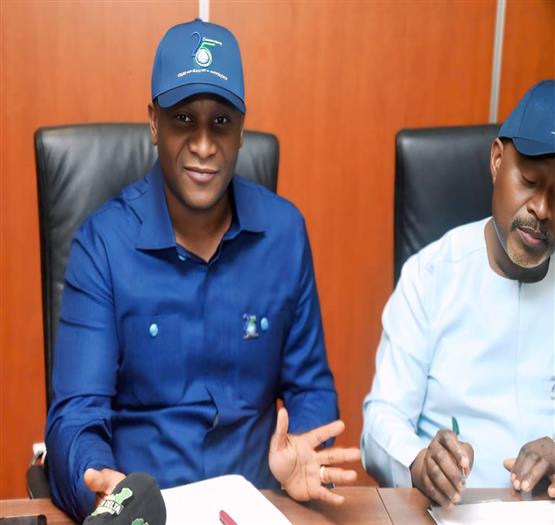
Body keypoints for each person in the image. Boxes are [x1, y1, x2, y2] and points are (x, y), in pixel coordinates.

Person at [46, 19, 359, 521]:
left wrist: (304, 452)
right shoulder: (102, 245)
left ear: (241, 129)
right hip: (148, 513)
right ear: (154, 123)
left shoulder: (284, 234)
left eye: (221, 122)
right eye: (183, 119)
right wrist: (103, 487)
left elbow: (309, 388)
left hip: (254, 507)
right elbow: (76, 418)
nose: (205, 145)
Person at [361, 80, 555, 508]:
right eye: (529, 182)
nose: (542, 210)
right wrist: (419, 462)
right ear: (497, 161)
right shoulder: (430, 275)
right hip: (451, 512)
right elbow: (381, 419)